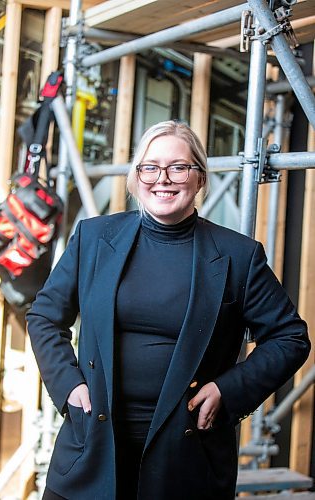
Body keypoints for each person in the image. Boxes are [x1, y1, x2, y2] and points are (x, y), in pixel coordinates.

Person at [27, 120, 310, 500]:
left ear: (199, 177)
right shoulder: (94, 239)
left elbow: (290, 338)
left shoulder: (239, 256)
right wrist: (68, 386)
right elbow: (44, 316)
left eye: (179, 167)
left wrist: (229, 390)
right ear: (136, 176)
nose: (164, 178)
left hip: (187, 456)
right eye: (150, 167)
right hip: (90, 445)